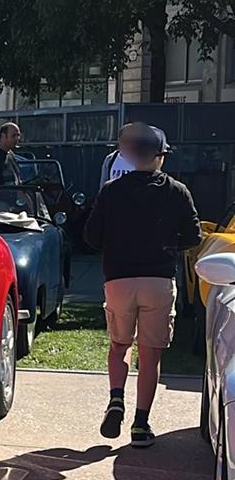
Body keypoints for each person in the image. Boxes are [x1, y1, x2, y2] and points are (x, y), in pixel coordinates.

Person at [84, 124, 200, 449]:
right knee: (150, 357)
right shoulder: (177, 191)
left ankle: (116, 399)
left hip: (119, 280)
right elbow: (193, 237)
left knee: (119, 345)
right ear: (160, 156)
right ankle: (140, 424)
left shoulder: (111, 190)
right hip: (159, 281)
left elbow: (91, 236)